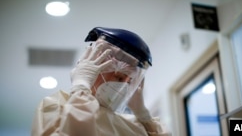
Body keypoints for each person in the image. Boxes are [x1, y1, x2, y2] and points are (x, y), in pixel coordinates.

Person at [31, 27, 170, 136]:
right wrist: (81, 88)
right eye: (119, 77)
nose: (123, 86)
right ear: (94, 72)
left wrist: (143, 115)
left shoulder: (132, 123)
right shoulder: (57, 105)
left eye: (129, 81)